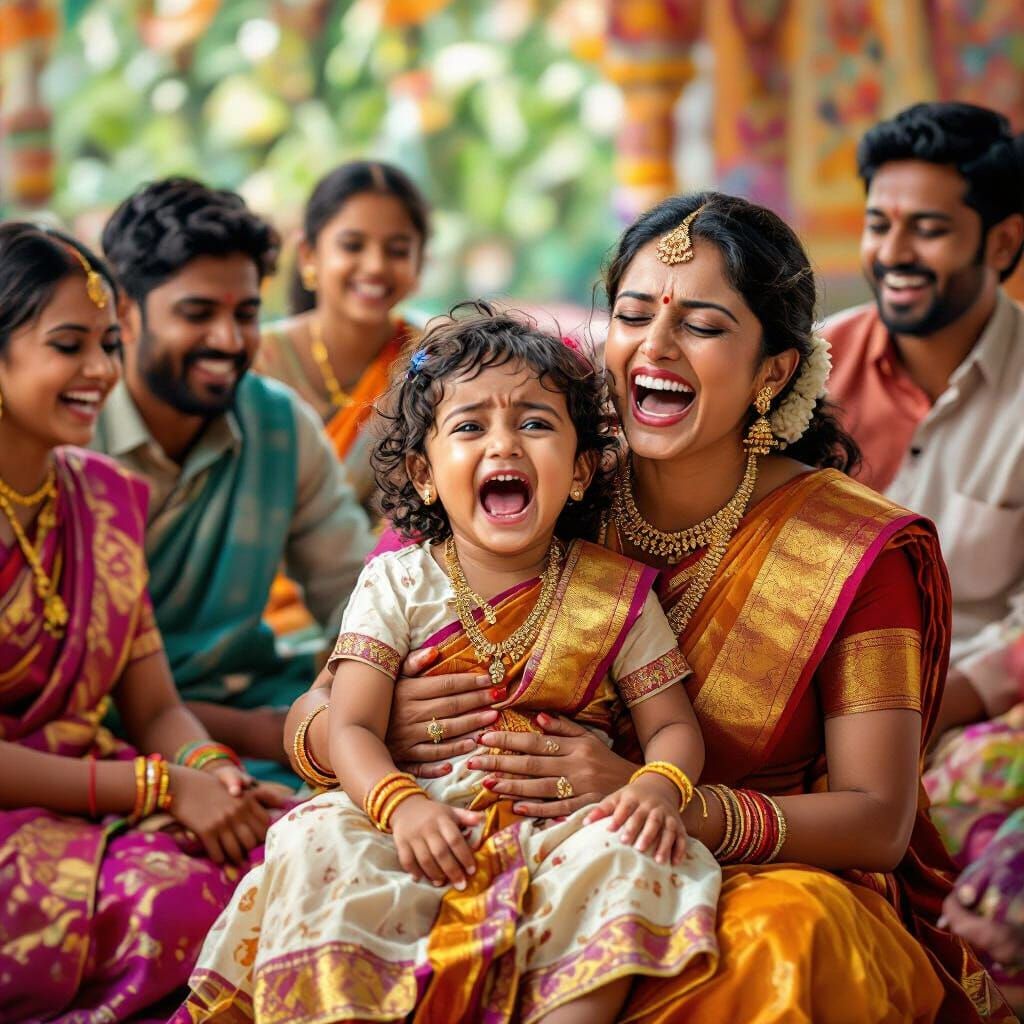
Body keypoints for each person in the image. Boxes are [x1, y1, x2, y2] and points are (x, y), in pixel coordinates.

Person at [284, 192, 1014, 1022]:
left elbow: (878, 821)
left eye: (702, 326)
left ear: (773, 371)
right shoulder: (533, 476)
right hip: (464, 843)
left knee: (790, 940)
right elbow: (311, 712)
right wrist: (381, 730)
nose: (653, 347)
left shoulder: (855, 551)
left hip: (735, 868)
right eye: (633, 315)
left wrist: (655, 798)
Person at [176, 307, 721, 1024]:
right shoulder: (396, 584)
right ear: (424, 475)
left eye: (534, 424)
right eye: (470, 427)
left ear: (583, 469)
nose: (505, 445)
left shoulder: (617, 593)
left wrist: (658, 785)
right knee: (315, 840)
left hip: (555, 822)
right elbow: (351, 729)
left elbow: (673, 728)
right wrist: (401, 806)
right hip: (406, 812)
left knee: (631, 857)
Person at [0, 224, 287, 1022]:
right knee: (187, 908)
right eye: (68, 344)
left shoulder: (103, 496)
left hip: (98, 793)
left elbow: (154, 704)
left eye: (108, 343)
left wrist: (211, 771)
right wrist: (161, 785)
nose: (100, 370)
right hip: (37, 817)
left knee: (301, 850)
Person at [822, 101, 1024, 1008]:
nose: (895, 251)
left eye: (930, 228)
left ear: (1005, 242)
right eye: (880, 223)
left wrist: (948, 700)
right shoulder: (806, 377)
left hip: (985, 714)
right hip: (822, 710)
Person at [93, 178, 376, 782]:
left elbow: (359, 601)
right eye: (197, 314)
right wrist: (259, 734)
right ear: (122, 310)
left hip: (264, 711)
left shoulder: (277, 425)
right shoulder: (67, 434)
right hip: (102, 738)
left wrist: (335, 702)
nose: (228, 340)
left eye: (246, 314)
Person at [254, 160, 427, 638]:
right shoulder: (255, 361)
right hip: (260, 611)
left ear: (419, 264)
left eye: (397, 249)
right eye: (353, 246)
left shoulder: (434, 361)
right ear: (309, 255)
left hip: (393, 605)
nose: (374, 265)